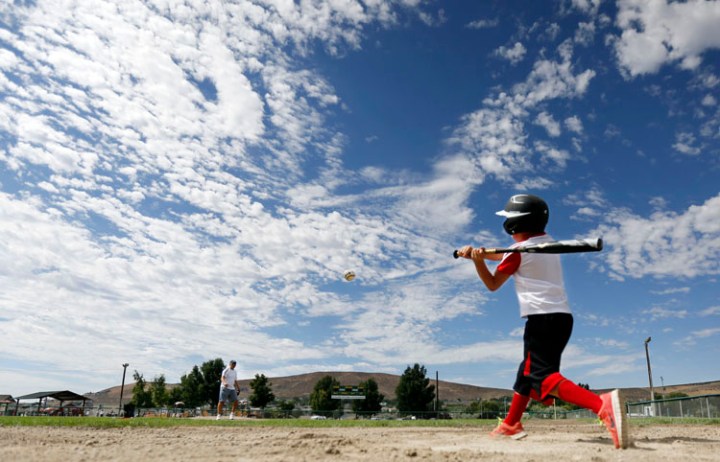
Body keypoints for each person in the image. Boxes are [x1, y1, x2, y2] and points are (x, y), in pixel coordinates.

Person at [456, 194, 629, 449]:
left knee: (543, 376)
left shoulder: (517, 252)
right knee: (526, 373)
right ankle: (511, 423)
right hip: (560, 318)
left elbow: (492, 284)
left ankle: (600, 405)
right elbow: (508, 255)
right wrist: (478, 255)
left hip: (541, 320)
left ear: (514, 224)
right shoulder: (545, 244)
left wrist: (478, 263)